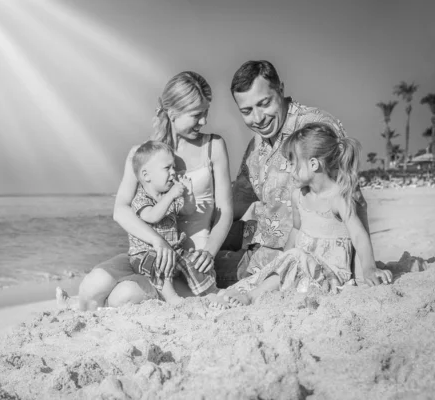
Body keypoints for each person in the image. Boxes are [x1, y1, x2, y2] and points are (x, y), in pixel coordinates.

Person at [77, 71, 234, 310]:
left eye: (206, 113)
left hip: (190, 260)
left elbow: (224, 211)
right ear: (172, 114)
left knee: (124, 296)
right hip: (148, 252)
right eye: (196, 115)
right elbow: (121, 210)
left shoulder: (214, 146)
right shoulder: (142, 155)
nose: (203, 121)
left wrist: (210, 253)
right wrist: (157, 242)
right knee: (91, 286)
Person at [210, 123, 393, 308]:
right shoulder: (298, 196)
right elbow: (296, 231)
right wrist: (281, 261)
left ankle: (252, 297)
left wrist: (369, 268)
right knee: (278, 266)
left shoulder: (338, 197)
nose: (289, 170)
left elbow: (358, 235)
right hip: (300, 267)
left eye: (292, 163)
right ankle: (240, 292)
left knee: (295, 258)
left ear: (313, 164)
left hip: (328, 276)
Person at [222, 60, 371, 286]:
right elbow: (237, 202)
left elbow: (351, 197)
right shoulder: (256, 146)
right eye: (247, 111)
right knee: (195, 256)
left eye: (264, 103)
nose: (258, 118)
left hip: (298, 260)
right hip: (258, 243)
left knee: (197, 275)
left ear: (280, 90)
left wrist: (364, 270)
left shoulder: (313, 128)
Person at [128, 140, 217, 305]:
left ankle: (208, 291)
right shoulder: (141, 198)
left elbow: (187, 210)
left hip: (172, 251)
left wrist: (189, 194)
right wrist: (171, 196)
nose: (173, 172)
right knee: (159, 263)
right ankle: (171, 298)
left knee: (193, 262)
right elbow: (152, 216)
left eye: (174, 167)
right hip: (145, 255)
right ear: (146, 175)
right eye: (167, 168)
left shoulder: (167, 195)